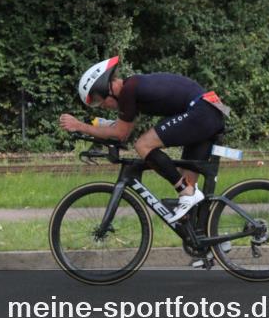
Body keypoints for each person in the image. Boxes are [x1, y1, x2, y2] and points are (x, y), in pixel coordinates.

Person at [58, 56, 229, 224]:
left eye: (99, 102)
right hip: (207, 110)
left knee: (143, 145)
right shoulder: (133, 88)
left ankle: (185, 190)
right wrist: (97, 130)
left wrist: (80, 126)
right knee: (188, 186)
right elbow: (120, 129)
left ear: (107, 90)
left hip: (202, 111)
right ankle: (204, 240)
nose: (103, 107)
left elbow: (120, 134)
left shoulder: (128, 91)